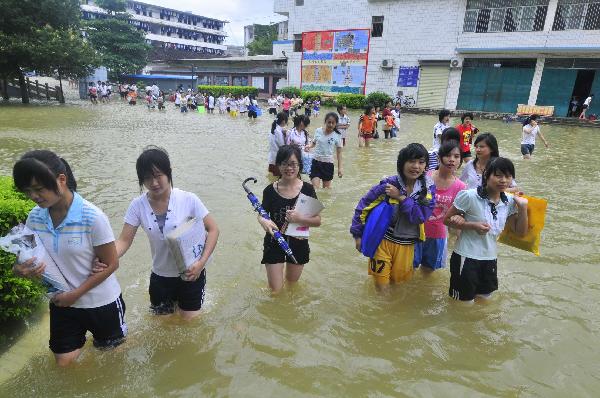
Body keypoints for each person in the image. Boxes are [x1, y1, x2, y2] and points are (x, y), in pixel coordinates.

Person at [12, 150, 126, 366]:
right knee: (64, 364)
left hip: (101, 303)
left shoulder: (92, 217)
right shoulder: (34, 217)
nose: (34, 196)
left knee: (112, 362)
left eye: (39, 189)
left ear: (61, 180)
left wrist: (76, 294)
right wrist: (19, 270)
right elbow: (23, 258)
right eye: (28, 191)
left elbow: (112, 264)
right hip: (62, 304)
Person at [95, 146, 219, 319]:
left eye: (158, 175)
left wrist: (202, 262)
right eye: (147, 178)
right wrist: (106, 259)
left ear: (169, 172)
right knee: (163, 326)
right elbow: (124, 241)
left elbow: (213, 229)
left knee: (190, 324)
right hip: (161, 277)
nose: (153, 183)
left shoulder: (188, 199)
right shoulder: (137, 205)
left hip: (193, 274)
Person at [350, 143, 435, 286]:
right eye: (411, 161)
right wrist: (357, 235)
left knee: (398, 285)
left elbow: (419, 217)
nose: (416, 166)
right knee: (380, 286)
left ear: (426, 166)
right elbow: (363, 206)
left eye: (421, 162)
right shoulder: (389, 184)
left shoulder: (427, 191)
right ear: (402, 164)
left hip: (407, 245)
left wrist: (401, 197)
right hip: (383, 241)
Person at [444, 157, 528, 301]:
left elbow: (520, 233)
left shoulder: (509, 201)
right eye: (498, 175)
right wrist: (471, 225)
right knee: (463, 306)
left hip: (490, 259)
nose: (503, 180)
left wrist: (523, 208)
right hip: (466, 258)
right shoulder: (469, 196)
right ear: (486, 175)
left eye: (508, 176)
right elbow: (446, 220)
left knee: (484, 303)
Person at [257, 145, 321, 292]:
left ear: (299, 165)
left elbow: (318, 221)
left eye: (293, 164)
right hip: (274, 242)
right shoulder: (269, 191)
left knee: (292, 287)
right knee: (276, 291)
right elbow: (261, 214)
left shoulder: (308, 189)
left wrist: (300, 218)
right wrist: (263, 221)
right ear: (278, 165)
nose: (289, 168)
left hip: (299, 243)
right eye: (284, 163)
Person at [414, 141, 466, 272]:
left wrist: (460, 238)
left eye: (456, 156)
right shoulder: (425, 176)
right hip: (415, 231)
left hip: (437, 236)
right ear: (439, 157)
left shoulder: (461, 187)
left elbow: (458, 215)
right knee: (408, 269)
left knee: (427, 273)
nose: (452, 160)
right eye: (448, 155)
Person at [308, 112, 343, 188]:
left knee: (326, 190)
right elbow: (314, 143)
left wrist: (340, 168)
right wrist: (309, 146)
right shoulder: (318, 131)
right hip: (316, 162)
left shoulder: (337, 135)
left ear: (336, 124)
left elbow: (339, 153)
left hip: (328, 165)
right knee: (315, 188)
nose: (330, 124)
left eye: (333, 123)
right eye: (329, 122)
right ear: (325, 122)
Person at [268, 112, 289, 177]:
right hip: (277, 158)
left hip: (271, 157)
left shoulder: (273, 129)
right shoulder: (278, 131)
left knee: (271, 177)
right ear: (283, 121)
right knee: (277, 179)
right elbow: (282, 146)